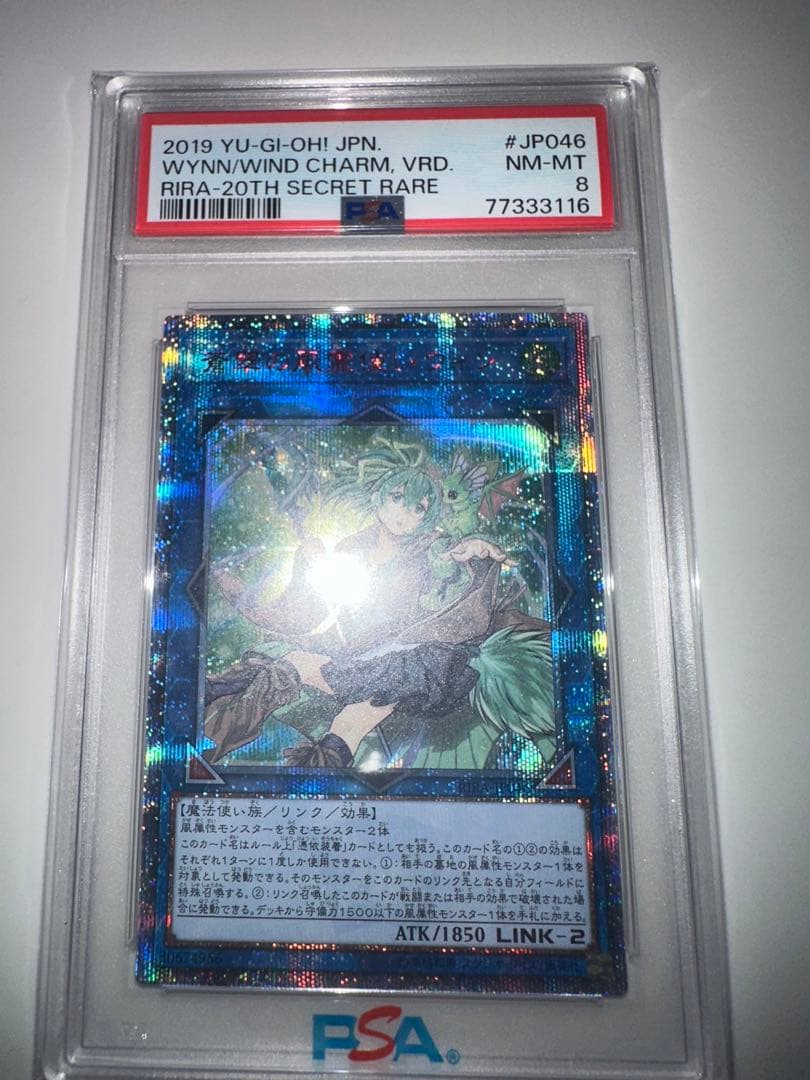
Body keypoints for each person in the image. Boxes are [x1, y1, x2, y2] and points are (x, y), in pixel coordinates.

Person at [203, 433, 555, 769]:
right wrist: (294, 571)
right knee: (344, 715)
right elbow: (313, 611)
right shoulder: (351, 548)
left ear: (428, 516)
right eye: (397, 498)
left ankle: (218, 726)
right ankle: (219, 723)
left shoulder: (428, 547)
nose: (405, 514)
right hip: (360, 649)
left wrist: (473, 547)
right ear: (380, 497)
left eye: (418, 508)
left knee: (315, 680)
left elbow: (450, 556)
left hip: (416, 657)